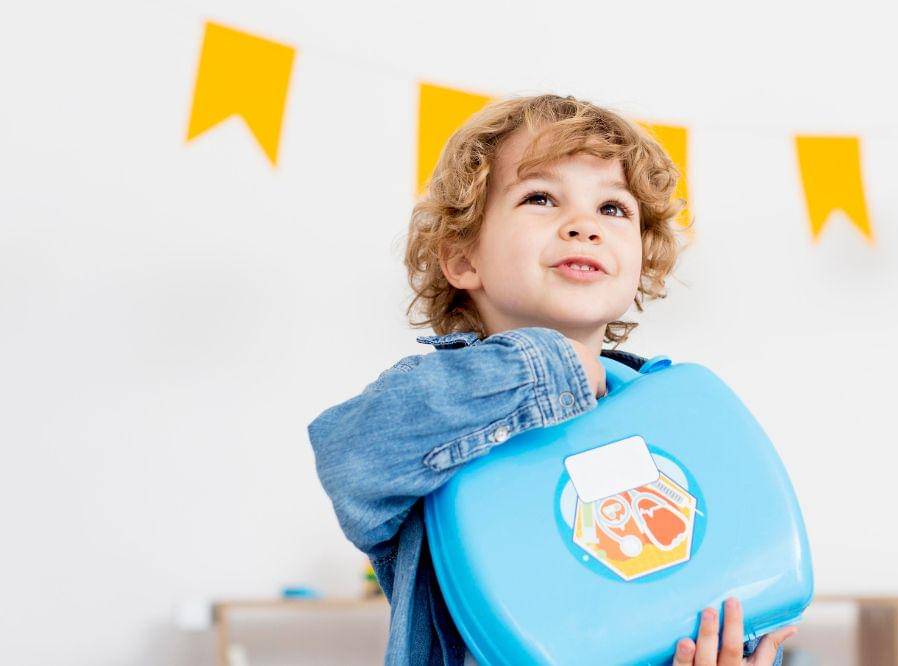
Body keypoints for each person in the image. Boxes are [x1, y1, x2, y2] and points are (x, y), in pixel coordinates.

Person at [307, 93, 797, 665]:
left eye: (613, 209)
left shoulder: (672, 411)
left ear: (642, 260)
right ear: (464, 258)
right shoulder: (429, 402)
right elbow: (349, 456)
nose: (583, 226)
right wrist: (547, 367)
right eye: (541, 197)